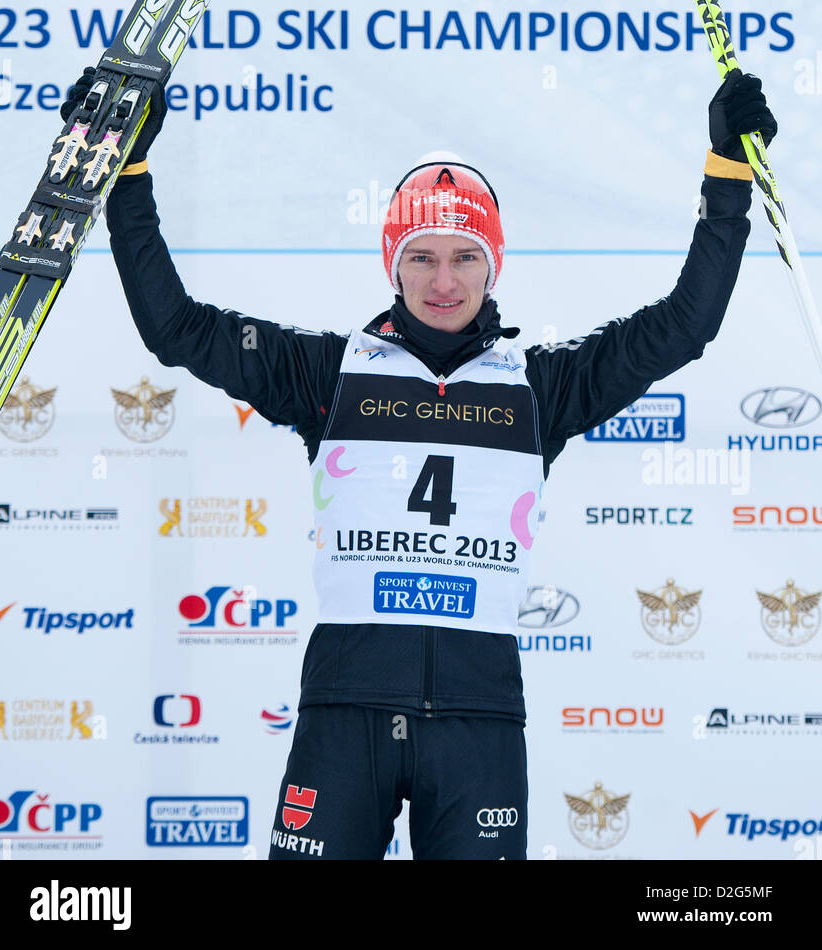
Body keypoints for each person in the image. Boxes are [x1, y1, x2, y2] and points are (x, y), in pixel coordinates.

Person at [61, 66, 776, 860]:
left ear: (493, 263)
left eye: (465, 257)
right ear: (391, 265)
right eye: (421, 256)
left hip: (479, 723)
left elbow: (683, 328)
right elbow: (179, 330)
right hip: (345, 712)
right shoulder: (329, 374)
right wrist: (126, 174)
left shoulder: (543, 386)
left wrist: (728, 176)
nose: (443, 280)